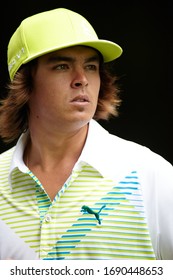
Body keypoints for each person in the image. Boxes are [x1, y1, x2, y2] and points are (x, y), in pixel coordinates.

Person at [0, 7, 172, 261]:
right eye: (61, 66)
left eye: (91, 66)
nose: (82, 79)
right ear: (25, 82)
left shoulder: (151, 175)